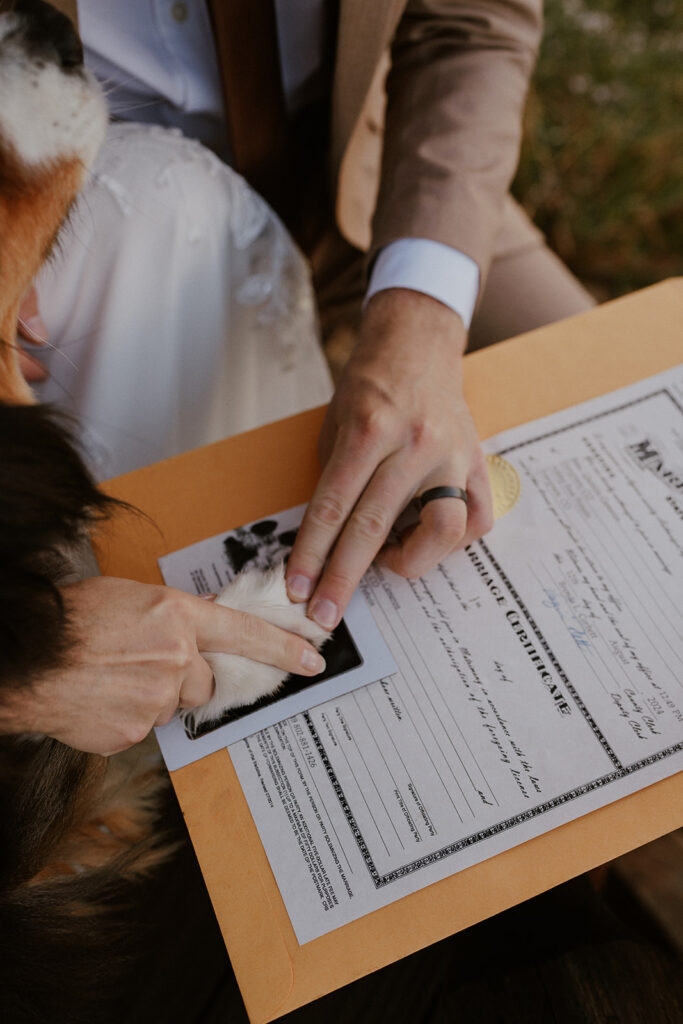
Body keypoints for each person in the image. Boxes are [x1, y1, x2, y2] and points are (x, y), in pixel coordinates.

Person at [17, 0, 595, 751]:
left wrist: (420, 320)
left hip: (364, 170)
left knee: (621, 424)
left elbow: (473, 20)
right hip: (88, 221)